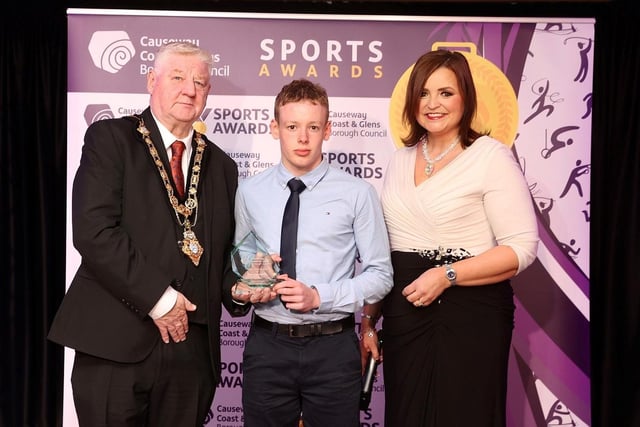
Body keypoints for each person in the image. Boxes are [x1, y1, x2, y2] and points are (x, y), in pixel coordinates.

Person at [48, 42, 239, 426]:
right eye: (178, 77)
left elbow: (218, 256)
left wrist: (241, 287)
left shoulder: (222, 166)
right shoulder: (111, 139)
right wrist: (159, 299)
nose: (190, 89)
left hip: (191, 355)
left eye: (200, 82)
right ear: (152, 80)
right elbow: (93, 232)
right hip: (114, 344)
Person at [359, 50, 539, 427]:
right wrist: (369, 321)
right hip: (405, 313)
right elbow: (387, 250)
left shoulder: (491, 157)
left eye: (445, 92)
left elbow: (521, 248)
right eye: (423, 93)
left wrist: (446, 275)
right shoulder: (399, 159)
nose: (433, 104)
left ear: (466, 97)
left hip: (471, 314)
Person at [227, 78, 393, 427]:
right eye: (292, 126)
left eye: (313, 127)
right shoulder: (249, 192)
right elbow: (241, 263)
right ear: (275, 128)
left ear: (327, 130)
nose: (302, 138)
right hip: (267, 345)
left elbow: (381, 276)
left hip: (332, 347)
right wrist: (248, 283)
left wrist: (320, 296)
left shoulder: (357, 193)